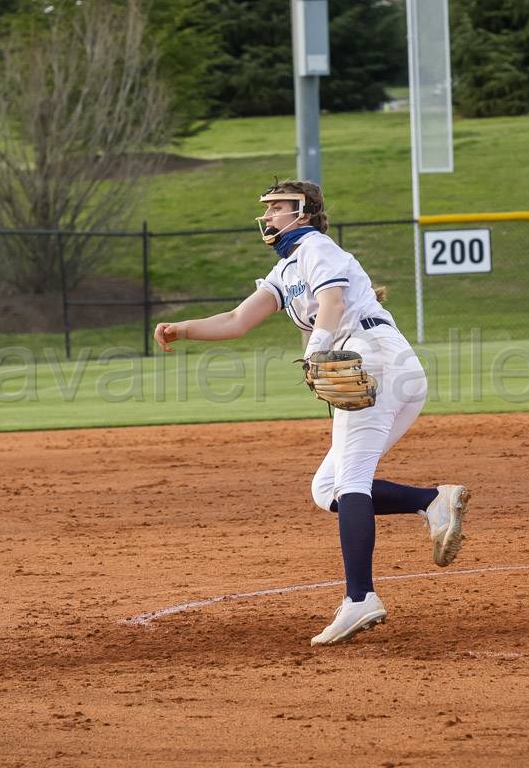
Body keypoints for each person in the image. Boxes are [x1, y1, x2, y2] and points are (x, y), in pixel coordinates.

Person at [153, 179, 470, 645]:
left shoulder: (316, 247)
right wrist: (182, 328)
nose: (270, 215)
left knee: (352, 480)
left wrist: (317, 352)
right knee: (328, 488)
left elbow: (333, 303)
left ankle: (360, 598)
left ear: (303, 212)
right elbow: (237, 321)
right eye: (269, 208)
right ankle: (429, 500)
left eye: (279, 207)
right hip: (387, 368)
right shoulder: (285, 270)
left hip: (371, 356)